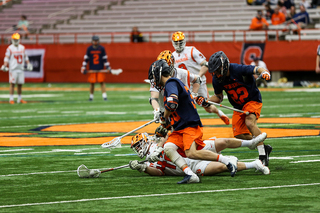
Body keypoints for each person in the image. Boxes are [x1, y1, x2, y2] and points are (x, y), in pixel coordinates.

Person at [147, 59, 238, 184]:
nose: (153, 80)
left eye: (154, 76)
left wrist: (164, 117)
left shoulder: (171, 83)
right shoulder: (172, 83)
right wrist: (166, 123)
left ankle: (227, 161)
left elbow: (172, 103)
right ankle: (190, 175)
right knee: (168, 147)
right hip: (180, 128)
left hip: (188, 125)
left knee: (191, 153)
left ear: (159, 73)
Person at [204, 51, 273, 166]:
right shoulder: (217, 79)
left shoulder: (237, 69)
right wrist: (206, 100)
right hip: (238, 106)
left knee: (250, 123)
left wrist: (265, 72)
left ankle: (262, 155)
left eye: (217, 70)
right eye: (214, 71)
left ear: (224, 65)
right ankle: (263, 146)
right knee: (239, 135)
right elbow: (219, 97)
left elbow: (257, 69)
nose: (215, 74)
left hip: (252, 100)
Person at [129, 132, 270, 177]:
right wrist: (143, 168)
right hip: (190, 165)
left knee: (223, 141)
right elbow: (159, 172)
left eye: (138, 144)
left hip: (192, 149)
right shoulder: (147, 162)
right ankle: (255, 164)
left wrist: (159, 149)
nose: (138, 149)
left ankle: (250, 143)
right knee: (223, 167)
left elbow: (166, 134)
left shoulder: (157, 143)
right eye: (136, 147)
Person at [171, 31, 230, 125]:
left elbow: (206, 65)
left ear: (184, 41)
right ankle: (188, 125)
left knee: (207, 107)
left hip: (199, 82)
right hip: (186, 84)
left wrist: (197, 76)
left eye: (180, 42)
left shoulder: (191, 50)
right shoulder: (172, 56)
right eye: (176, 42)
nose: (178, 44)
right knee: (184, 106)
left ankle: (220, 113)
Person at [150, 50, 204, 123]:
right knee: (164, 131)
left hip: (183, 109)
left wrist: (194, 94)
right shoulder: (156, 77)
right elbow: (154, 98)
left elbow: (197, 79)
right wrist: (157, 110)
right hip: (166, 109)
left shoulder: (182, 73)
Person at [0, 33, 33, 104]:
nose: (15, 41)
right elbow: (7, 58)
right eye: (14, 39)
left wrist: (28, 64)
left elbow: (25, 57)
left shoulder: (22, 47)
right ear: (12, 40)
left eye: (16, 39)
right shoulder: (10, 48)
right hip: (13, 69)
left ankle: (19, 98)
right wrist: (5, 65)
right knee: (12, 84)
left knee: (20, 84)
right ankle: (11, 99)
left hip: (20, 68)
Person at [81, 35, 111, 101]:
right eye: (94, 40)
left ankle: (104, 97)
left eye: (96, 40)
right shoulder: (89, 49)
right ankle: (91, 97)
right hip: (92, 68)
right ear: (92, 41)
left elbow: (105, 59)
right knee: (92, 83)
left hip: (100, 68)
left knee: (102, 82)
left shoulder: (102, 48)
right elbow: (86, 59)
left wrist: (108, 67)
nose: (95, 42)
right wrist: (83, 67)